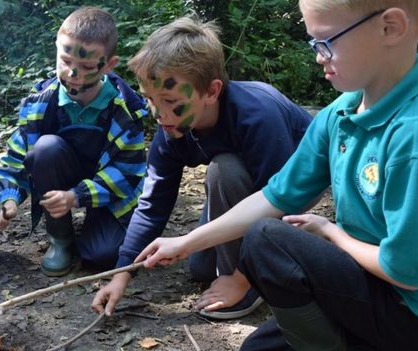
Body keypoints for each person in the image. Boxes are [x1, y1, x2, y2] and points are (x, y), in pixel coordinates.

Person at [97, 0, 418, 351]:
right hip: (372, 286)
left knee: (266, 239)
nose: (318, 56)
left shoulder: (416, 137)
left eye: (325, 42)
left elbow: (409, 272)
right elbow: (276, 196)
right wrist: (185, 241)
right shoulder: (340, 115)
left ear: (390, 28)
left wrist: (331, 234)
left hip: (410, 308)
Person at [92, 17, 313, 320]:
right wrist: (122, 274)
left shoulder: (257, 116)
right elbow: (152, 203)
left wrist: (240, 277)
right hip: (245, 185)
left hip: (292, 178)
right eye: (149, 99)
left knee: (225, 169)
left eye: (169, 100)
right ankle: (234, 264)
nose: (158, 113)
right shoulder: (170, 130)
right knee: (200, 268)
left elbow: (283, 204)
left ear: (211, 92)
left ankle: (253, 284)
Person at [0, 6, 148, 277]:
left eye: (87, 66)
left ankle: (102, 227)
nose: (72, 73)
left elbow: (127, 172)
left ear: (109, 65)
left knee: (102, 255)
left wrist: (77, 196)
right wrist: (10, 198)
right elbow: (17, 155)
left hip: (108, 193)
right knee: (45, 148)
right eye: (65, 60)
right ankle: (60, 238)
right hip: (62, 170)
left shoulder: (124, 111)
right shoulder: (40, 104)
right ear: (56, 48)